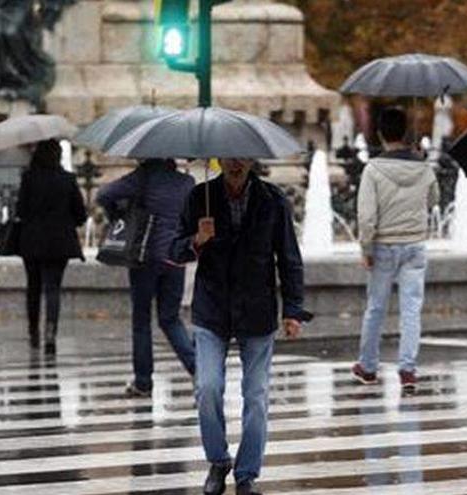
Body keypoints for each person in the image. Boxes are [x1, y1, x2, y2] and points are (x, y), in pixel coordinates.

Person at [170, 158, 310, 495]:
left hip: (257, 309)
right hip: (212, 308)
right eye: (229, 156)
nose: (235, 164)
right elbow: (174, 250)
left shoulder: (273, 200)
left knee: (256, 396)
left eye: (241, 157)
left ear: (251, 161)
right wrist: (197, 240)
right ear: (219, 158)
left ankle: (246, 473)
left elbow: (289, 257)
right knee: (207, 387)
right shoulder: (200, 197)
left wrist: (292, 309)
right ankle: (218, 460)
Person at [352, 107, 440, 390]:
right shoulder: (423, 167)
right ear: (404, 133)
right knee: (411, 310)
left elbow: (366, 217)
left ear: (379, 133)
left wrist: (366, 248)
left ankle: (367, 367)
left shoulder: (373, 169)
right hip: (415, 245)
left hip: (383, 246)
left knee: (376, 308)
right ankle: (408, 370)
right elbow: (433, 199)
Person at [95, 159, 196, 397]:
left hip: (146, 257)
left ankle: (143, 381)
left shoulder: (142, 178)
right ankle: (198, 368)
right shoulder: (187, 182)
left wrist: (119, 214)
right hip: (176, 258)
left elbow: (104, 194)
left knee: (141, 320)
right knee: (170, 318)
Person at [16, 139, 87, 354]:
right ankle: (50, 334)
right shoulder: (67, 179)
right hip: (59, 242)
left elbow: (20, 210)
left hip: (32, 242)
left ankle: (33, 332)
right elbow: (81, 214)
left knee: (34, 288)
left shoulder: (29, 178)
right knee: (53, 288)